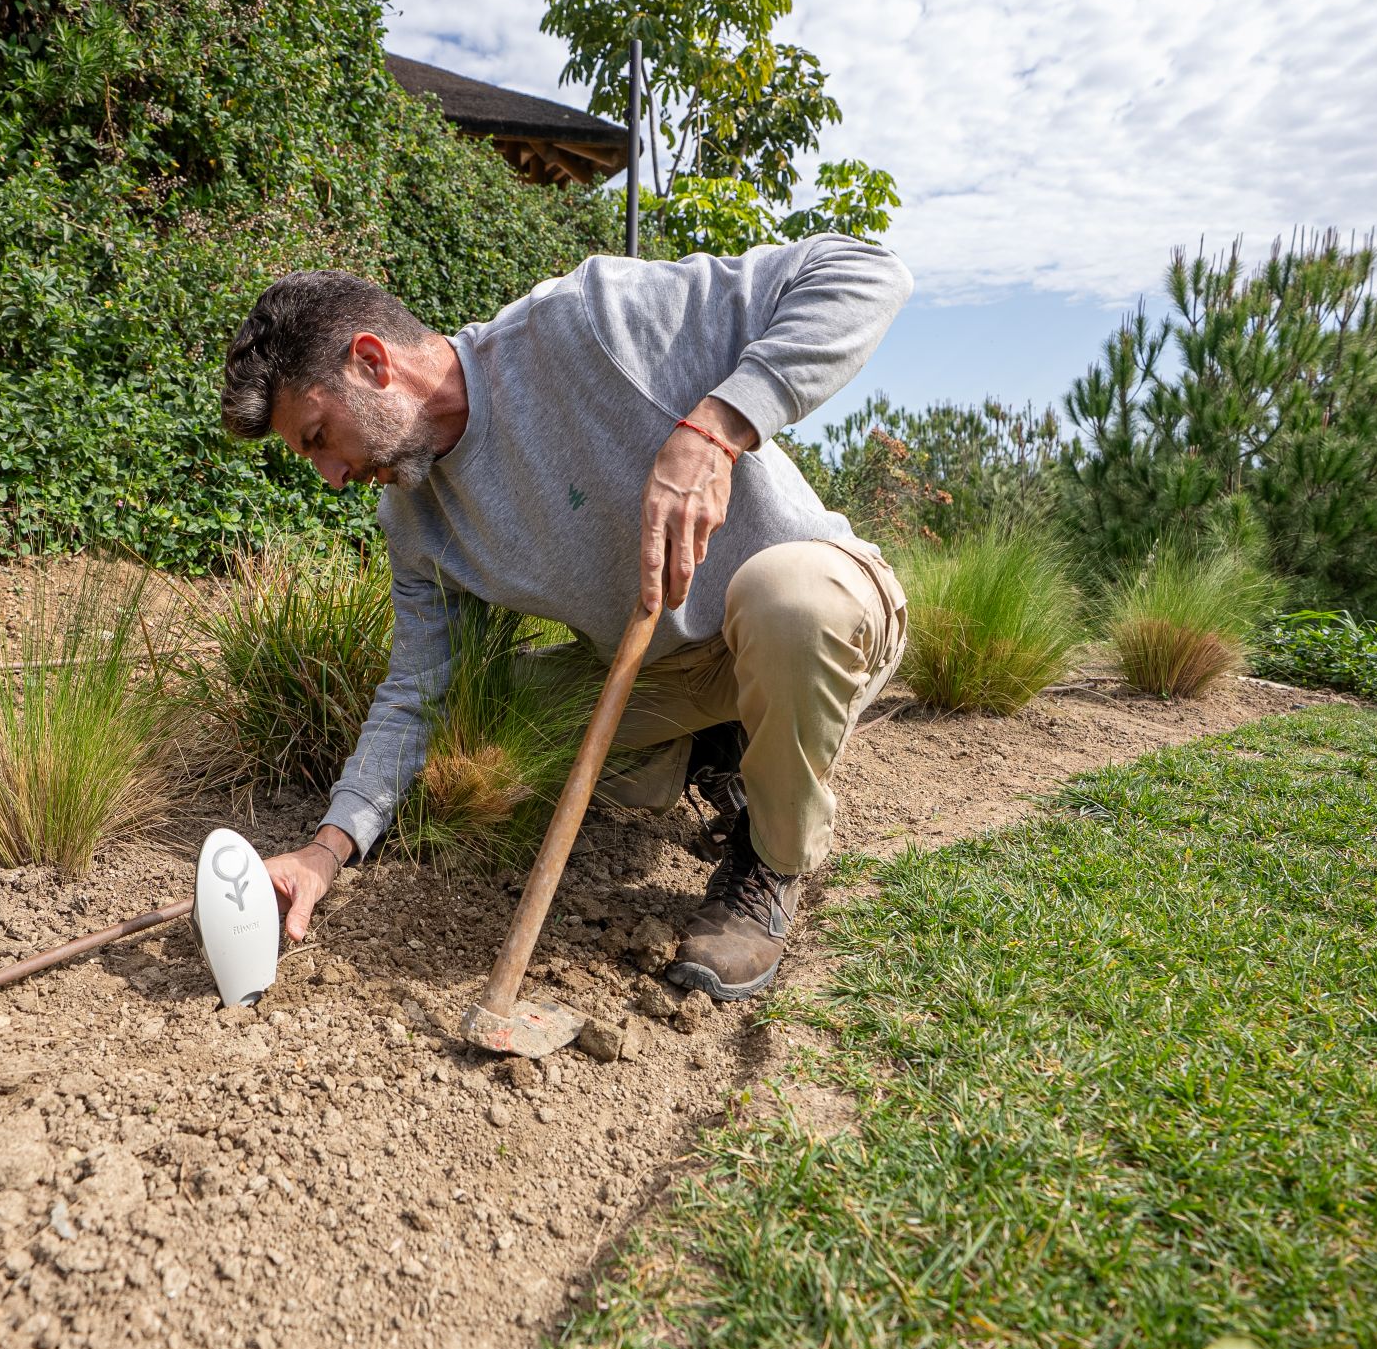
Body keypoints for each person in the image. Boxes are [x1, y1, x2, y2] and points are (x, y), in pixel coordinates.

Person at [217, 234, 912, 1000]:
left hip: (819, 611)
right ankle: (717, 749)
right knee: (482, 726)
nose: (333, 476)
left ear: (373, 363)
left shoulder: (589, 322)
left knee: (789, 600)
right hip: (665, 671)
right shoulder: (415, 520)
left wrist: (719, 427)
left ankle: (770, 864)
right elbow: (417, 694)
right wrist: (325, 852)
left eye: (319, 438)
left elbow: (864, 271)